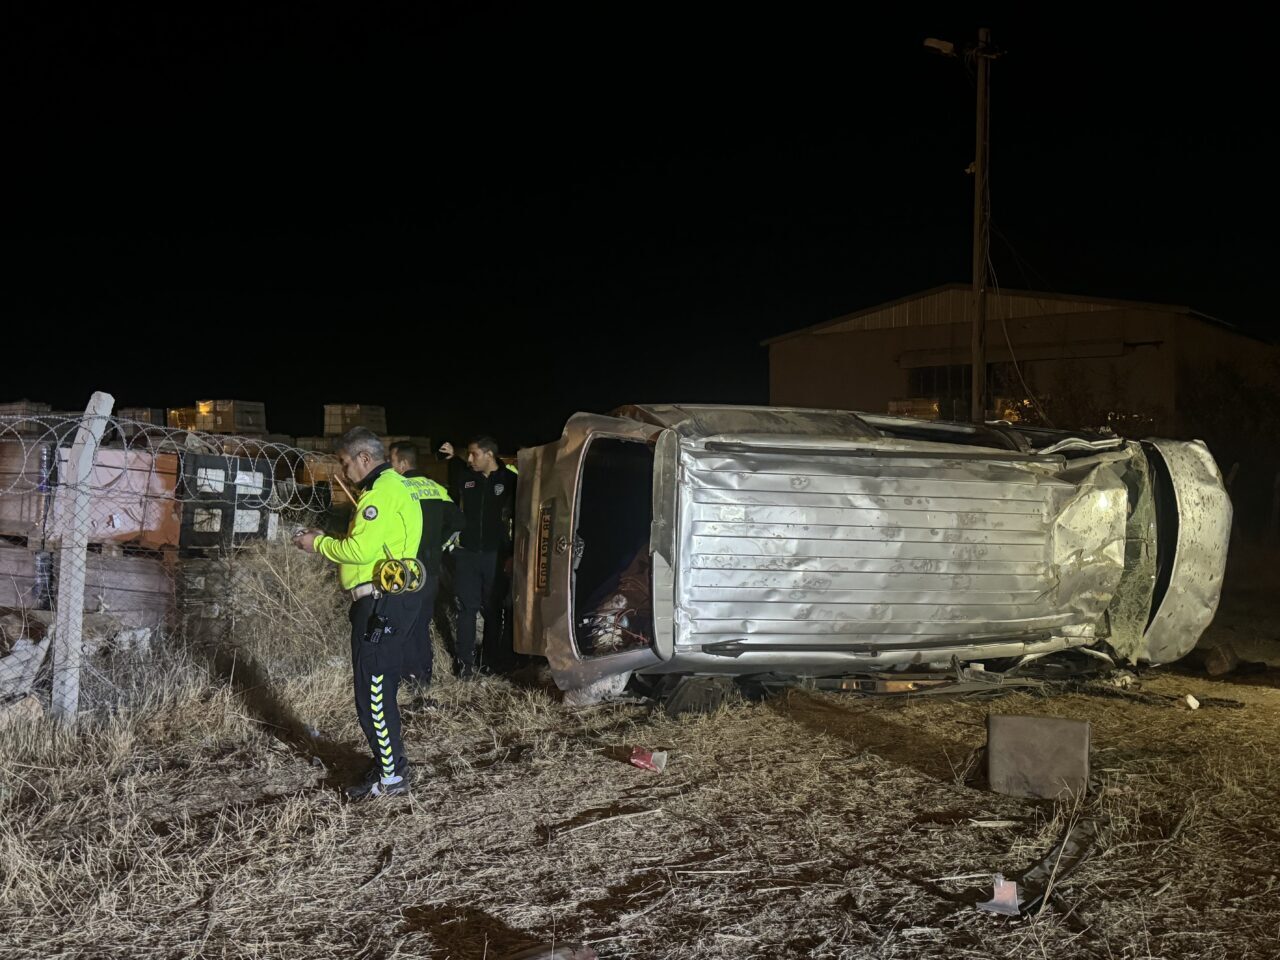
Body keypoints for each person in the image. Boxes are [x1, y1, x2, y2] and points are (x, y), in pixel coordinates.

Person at [294, 427, 423, 800]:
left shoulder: (380, 492)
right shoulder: (390, 487)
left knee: (373, 693)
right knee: (379, 687)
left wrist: (316, 543)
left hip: (381, 601)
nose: (343, 470)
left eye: (345, 462)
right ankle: (389, 763)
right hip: (387, 599)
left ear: (364, 458)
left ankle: (392, 777)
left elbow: (360, 551)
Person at [389, 441, 463, 703]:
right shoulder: (436, 488)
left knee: (405, 625)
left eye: (392, 461)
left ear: (402, 463)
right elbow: (458, 521)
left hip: (406, 569)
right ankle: (423, 677)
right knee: (421, 624)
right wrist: (439, 545)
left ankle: (410, 680)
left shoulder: (397, 489)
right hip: (431, 568)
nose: (391, 467)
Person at [438, 437, 517, 676]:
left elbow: (522, 519)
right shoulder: (465, 477)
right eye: (468, 455)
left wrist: (512, 554)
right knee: (466, 609)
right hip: (467, 555)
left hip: (496, 555)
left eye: (474, 455)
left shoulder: (511, 481)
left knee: (493, 609)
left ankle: (491, 661)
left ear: (489, 455)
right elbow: (450, 504)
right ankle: (465, 663)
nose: (470, 459)